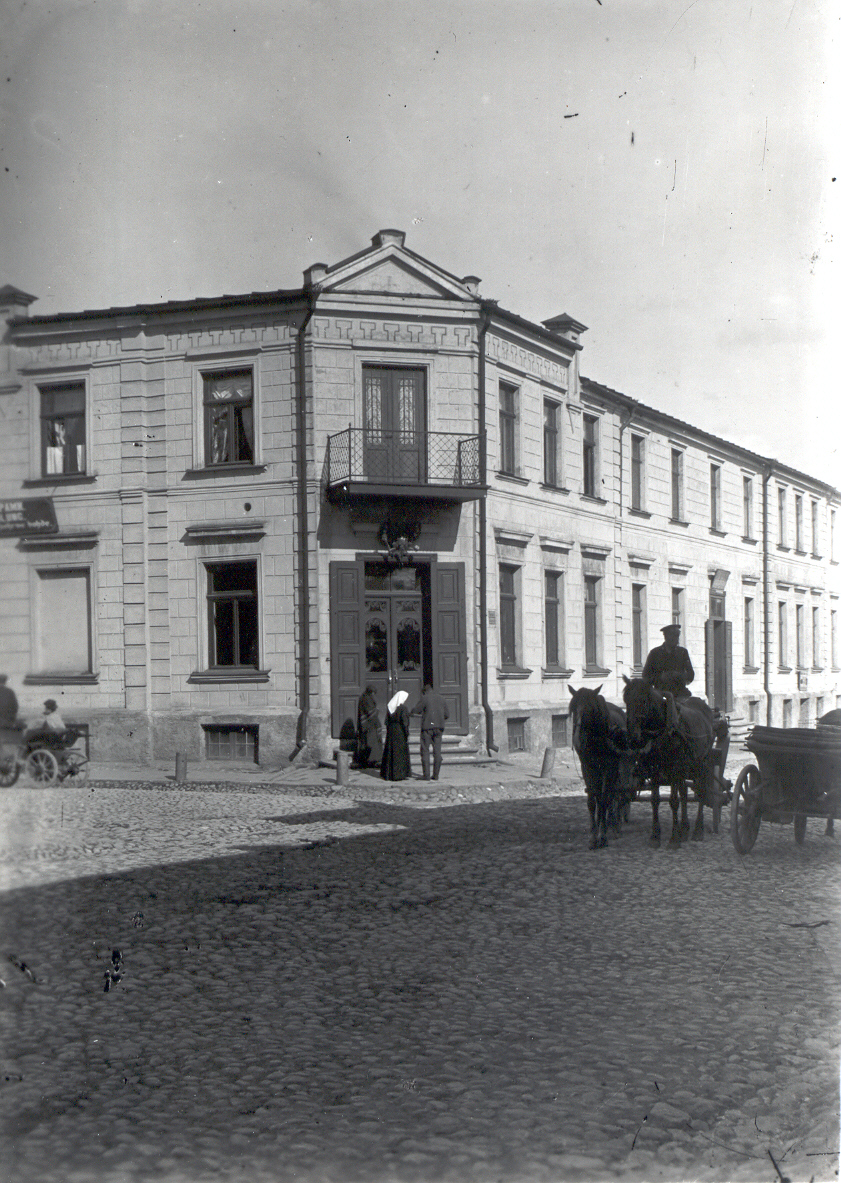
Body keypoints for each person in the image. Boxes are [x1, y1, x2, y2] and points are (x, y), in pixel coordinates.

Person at [642, 624, 695, 700]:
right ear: (665, 637)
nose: (676, 639)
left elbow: (691, 675)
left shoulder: (682, 652)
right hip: (660, 694)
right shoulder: (655, 653)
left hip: (680, 694)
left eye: (677, 636)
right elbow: (645, 676)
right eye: (673, 636)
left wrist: (678, 675)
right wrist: (660, 677)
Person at [411, 683, 449, 781]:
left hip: (427, 728)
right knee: (437, 752)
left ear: (424, 691)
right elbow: (447, 714)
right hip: (439, 728)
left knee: (425, 751)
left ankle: (426, 775)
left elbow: (417, 710)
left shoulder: (425, 698)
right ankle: (436, 775)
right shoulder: (442, 699)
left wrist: (412, 711)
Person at [380, 690, 412, 781]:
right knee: (399, 754)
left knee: (390, 752)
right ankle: (399, 775)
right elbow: (405, 723)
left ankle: (388, 774)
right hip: (400, 732)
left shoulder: (390, 707)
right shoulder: (403, 708)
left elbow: (386, 722)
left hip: (391, 732)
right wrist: (407, 733)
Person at [355, 685, 383, 769]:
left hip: (367, 725)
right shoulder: (366, 699)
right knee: (371, 743)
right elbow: (370, 712)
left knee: (368, 743)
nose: (374, 695)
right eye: (374, 693)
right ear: (371, 692)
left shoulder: (364, 697)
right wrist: (376, 710)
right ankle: (372, 761)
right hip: (369, 726)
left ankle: (370, 761)